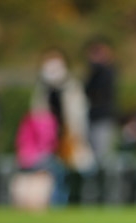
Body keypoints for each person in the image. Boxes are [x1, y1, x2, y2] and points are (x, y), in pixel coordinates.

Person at [31, 48, 95, 203]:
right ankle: (57, 201)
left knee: (78, 168)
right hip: (48, 138)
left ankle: (78, 199)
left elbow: (78, 115)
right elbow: (37, 113)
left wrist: (74, 135)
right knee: (53, 171)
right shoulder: (43, 89)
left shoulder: (72, 87)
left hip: (69, 136)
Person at [84, 36, 119, 176]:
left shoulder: (107, 72)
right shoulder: (92, 74)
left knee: (103, 158)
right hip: (92, 118)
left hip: (104, 119)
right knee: (91, 159)